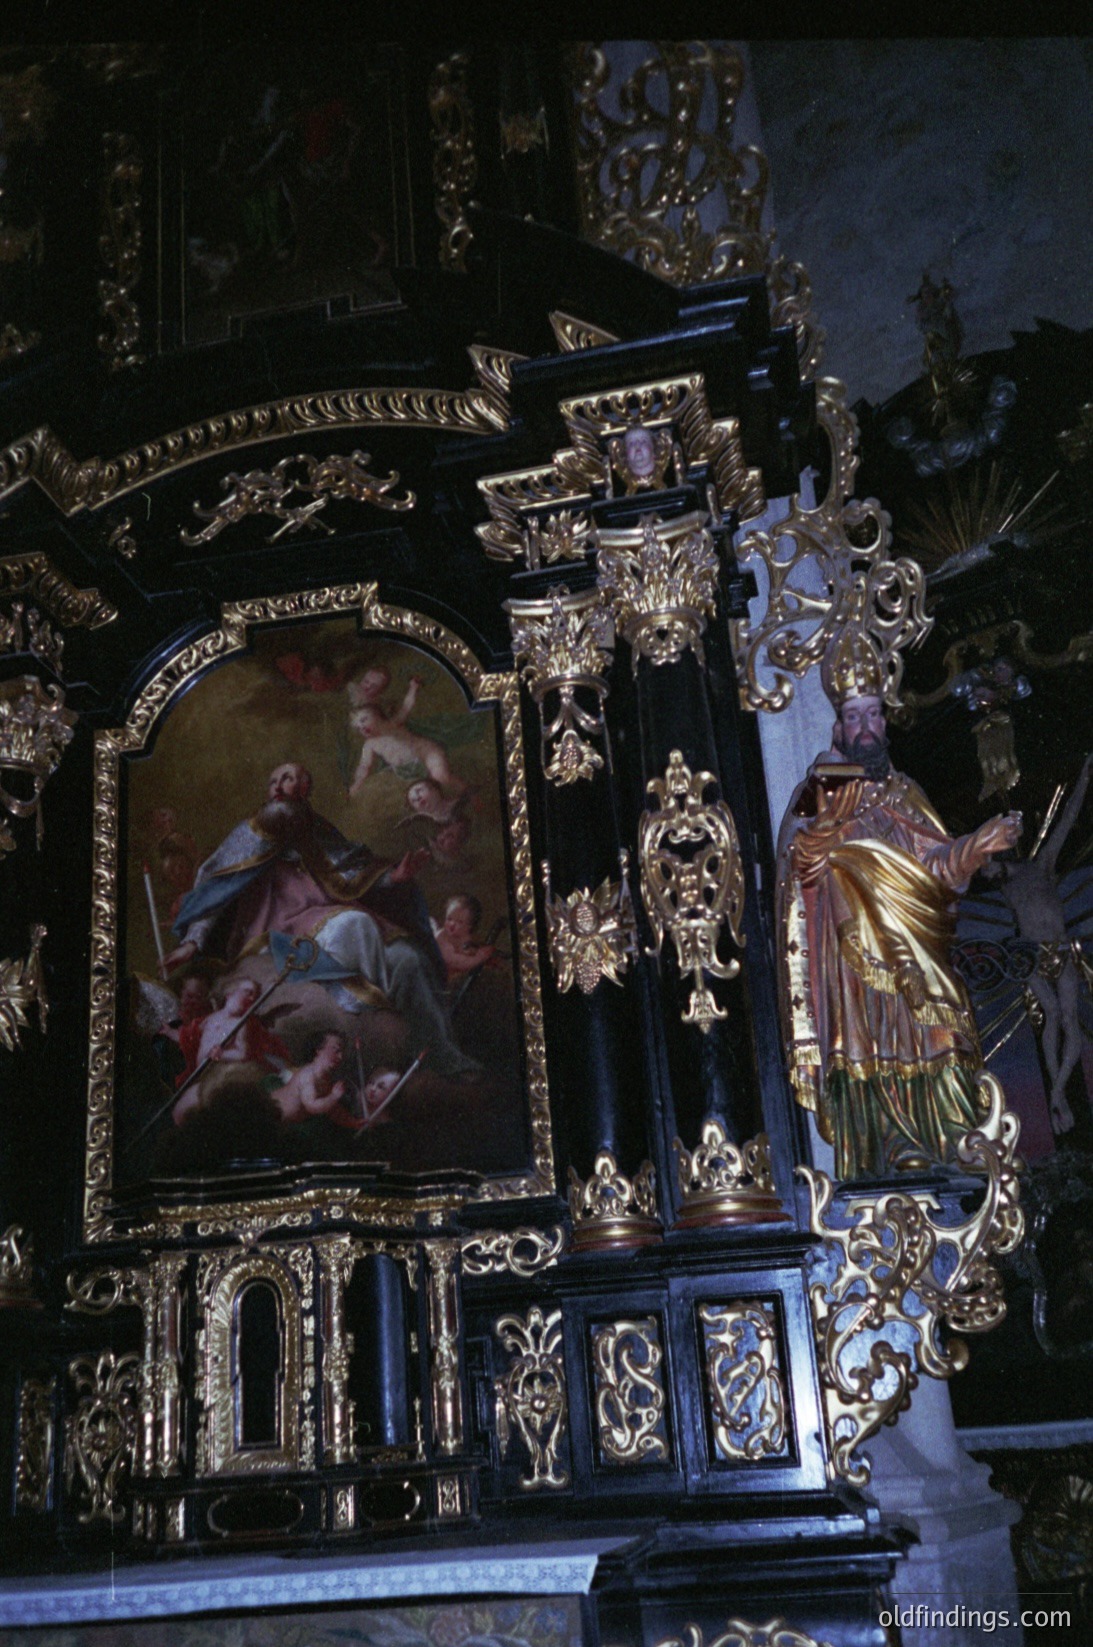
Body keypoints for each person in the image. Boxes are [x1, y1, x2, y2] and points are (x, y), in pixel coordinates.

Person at [777, 629, 1022, 1179]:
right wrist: (829, 822)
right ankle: (886, 1153)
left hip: (916, 944)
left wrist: (978, 844)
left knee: (940, 1029)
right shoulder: (822, 791)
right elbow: (802, 867)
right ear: (839, 729)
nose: (865, 728)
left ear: (885, 724)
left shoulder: (906, 794)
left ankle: (954, 1142)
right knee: (871, 1040)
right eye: (854, 718)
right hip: (855, 958)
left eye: (873, 715)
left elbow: (935, 869)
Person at [162, 763, 479, 1078]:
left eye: (288, 779)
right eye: (274, 780)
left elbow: (355, 870)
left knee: (409, 958)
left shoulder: (320, 833)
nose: (278, 786)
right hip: (287, 934)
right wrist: (193, 941)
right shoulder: (248, 837)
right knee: (354, 925)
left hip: (342, 923)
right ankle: (381, 999)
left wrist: (392, 878)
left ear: (304, 790)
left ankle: (443, 1056)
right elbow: (214, 891)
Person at [981, 752, 1093, 1133]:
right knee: (1051, 1018)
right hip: (1031, 954)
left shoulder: (1041, 865)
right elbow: (970, 859)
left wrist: (1084, 779)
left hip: (1059, 949)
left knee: (1068, 1020)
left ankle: (1058, 1093)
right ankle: (1057, 1094)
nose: (988, 870)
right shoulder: (1006, 884)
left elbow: (1066, 821)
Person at [172, 976, 291, 1125]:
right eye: (248, 992)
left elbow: (242, 1054)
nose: (252, 998)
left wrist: (222, 1054)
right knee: (180, 1112)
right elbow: (191, 1037)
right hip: (201, 1074)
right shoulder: (212, 1018)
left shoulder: (240, 1024)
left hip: (221, 1077)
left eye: (254, 996)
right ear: (230, 994)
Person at [432, 894, 496, 985]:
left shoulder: (465, 937)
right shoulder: (442, 938)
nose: (452, 924)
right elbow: (454, 962)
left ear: (469, 927)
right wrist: (478, 958)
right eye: (449, 919)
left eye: (459, 922)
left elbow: (467, 949)